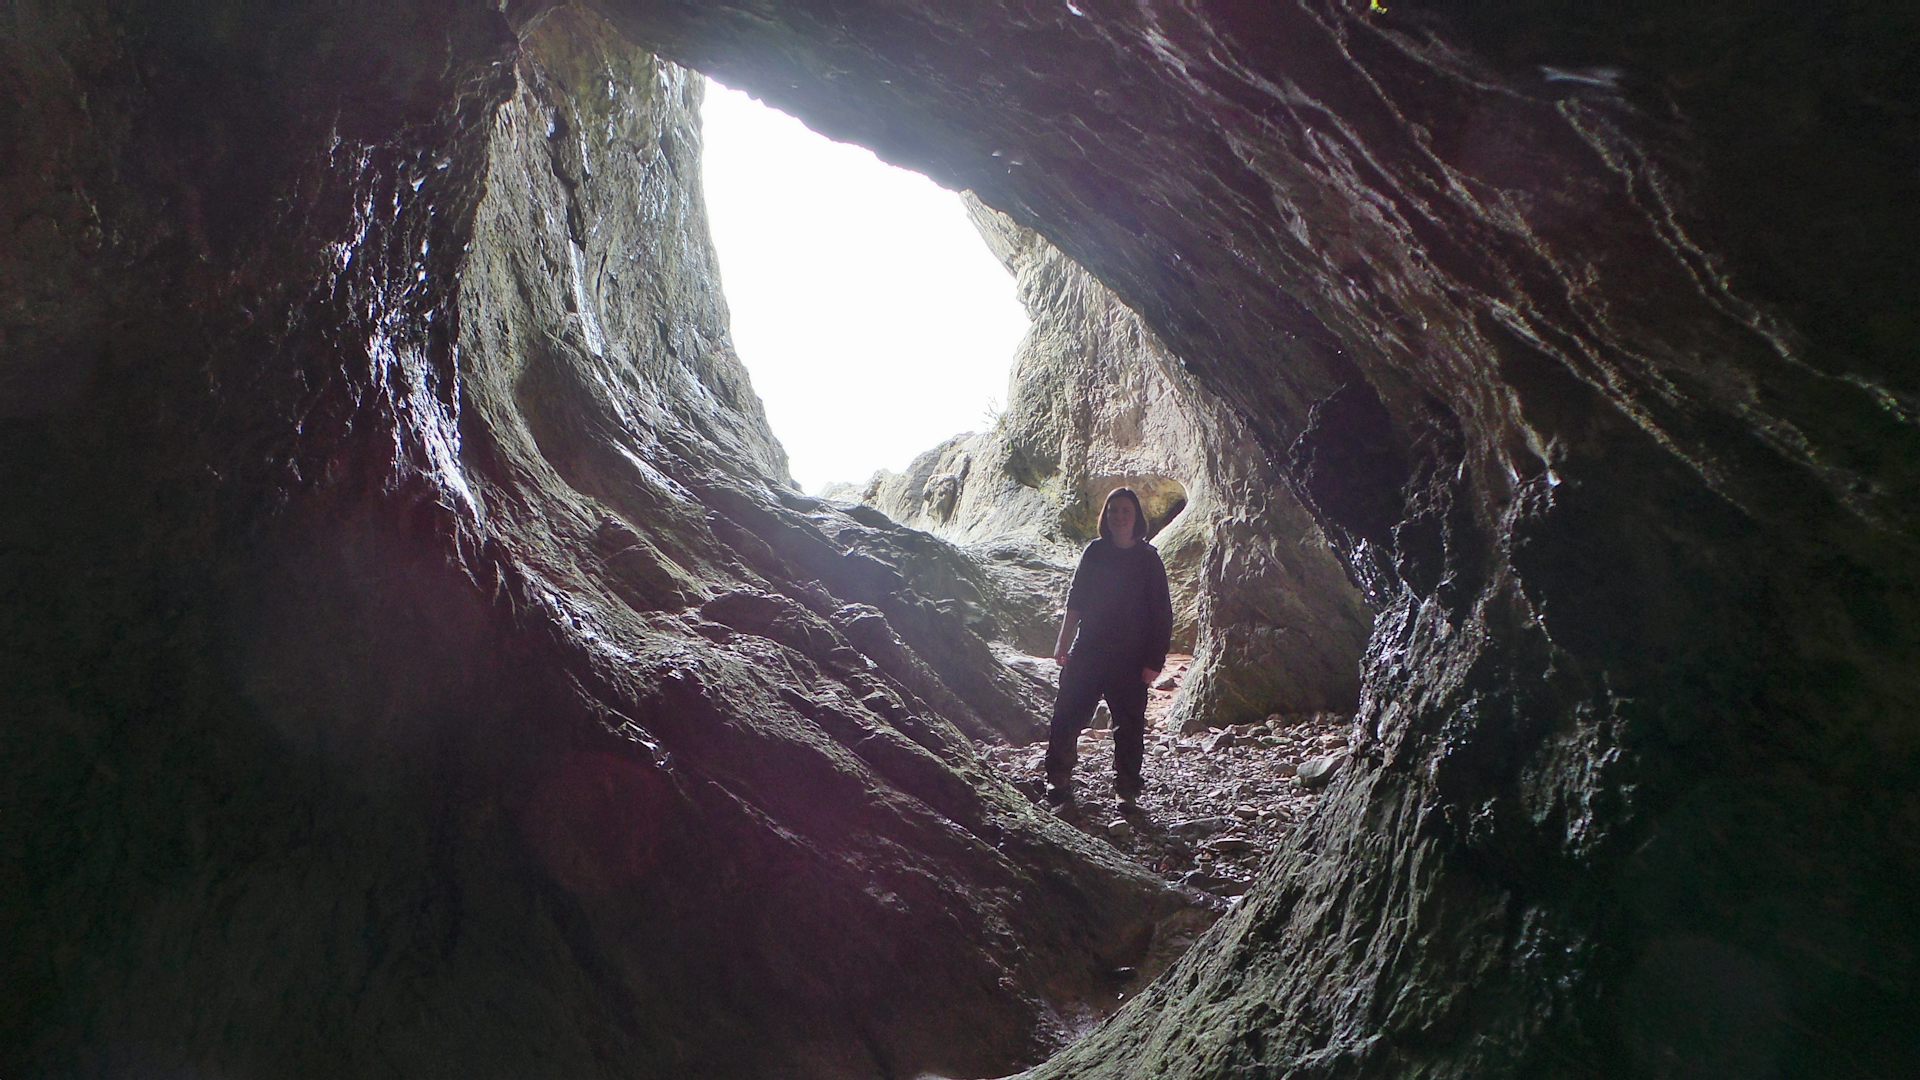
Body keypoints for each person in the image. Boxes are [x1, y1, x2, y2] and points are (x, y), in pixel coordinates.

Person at [1045, 486, 1174, 802]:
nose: (1119, 516)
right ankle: (1058, 777)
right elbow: (1076, 599)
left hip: (1130, 658)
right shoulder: (1095, 552)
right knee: (1067, 715)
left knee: (1129, 727)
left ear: (1136, 517)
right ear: (1106, 515)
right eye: (1114, 510)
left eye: (1125, 511)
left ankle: (1127, 789)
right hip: (1088, 650)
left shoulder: (1148, 559)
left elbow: (1162, 613)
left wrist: (1154, 662)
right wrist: (1063, 642)